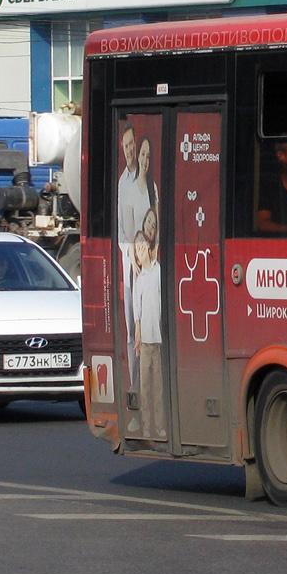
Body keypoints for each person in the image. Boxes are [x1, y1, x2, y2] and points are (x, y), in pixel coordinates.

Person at [116, 122, 150, 391]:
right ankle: (134, 386)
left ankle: (149, 384)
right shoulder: (121, 183)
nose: (129, 149)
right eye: (125, 145)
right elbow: (121, 228)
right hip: (130, 266)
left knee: (146, 329)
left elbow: (152, 223)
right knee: (130, 329)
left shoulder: (146, 181)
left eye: (131, 144)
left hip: (146, 264)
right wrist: (128, 251)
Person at [131, 230, 166, 440]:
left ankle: (160, 425)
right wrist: (137, 336)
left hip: (158, 341)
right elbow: (137, 311)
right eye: (138, 247)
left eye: (143, 244)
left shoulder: (158, 271)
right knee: (145, 387)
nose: (141, 248)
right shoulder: (139, 279)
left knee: (158, 388)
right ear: (136, 254)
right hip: (145, 342)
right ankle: (146, 425)